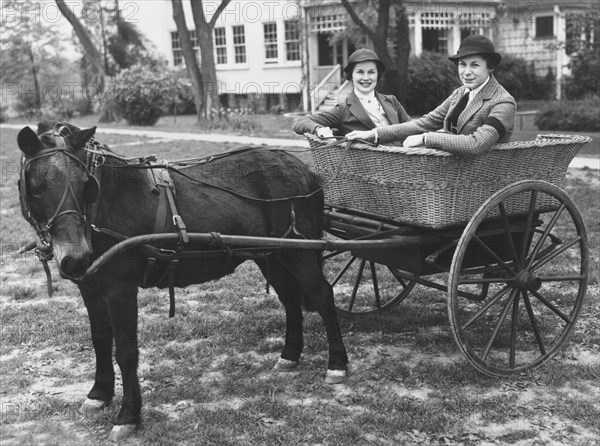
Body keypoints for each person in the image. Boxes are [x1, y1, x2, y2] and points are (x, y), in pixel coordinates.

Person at [346, 35, 516, 156]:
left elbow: (476, 144)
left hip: (480, 177)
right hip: (451, 168)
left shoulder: (503, 102)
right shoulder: (460, 93)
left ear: (490, 67)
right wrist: (374, 134)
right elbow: (425, 123)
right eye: (462, 65)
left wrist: (426, 139)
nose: (466, 72)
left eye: (475, 65)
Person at [293, 48, 410, 138]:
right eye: (360, 72)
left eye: (371, 72)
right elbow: (300, 122)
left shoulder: (391, 101)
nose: (366, 77)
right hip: (371, 165)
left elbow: (412, 127)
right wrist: (318, 129)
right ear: (351, 76)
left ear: (377, 75)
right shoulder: (343, 110)